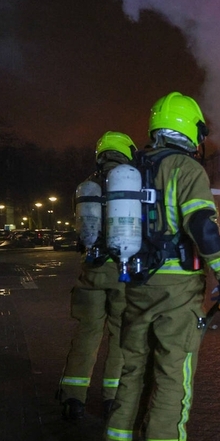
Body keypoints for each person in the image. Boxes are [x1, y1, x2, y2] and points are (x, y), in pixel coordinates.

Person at [102, 92, 220, 441]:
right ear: (189, 128)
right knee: (171, 377)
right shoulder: (187, 169)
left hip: (136, 287)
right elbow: (201, 225)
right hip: (176, 292)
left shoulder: (132, 169)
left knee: (132, 372)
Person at [57, 131, 137, 421]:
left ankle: (73, 398)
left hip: (91, 269)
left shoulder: (87, 186)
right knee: (120, 337)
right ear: (127, 152)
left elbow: (81, 228)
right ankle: (111, 398)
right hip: (122, 271)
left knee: (86, 335)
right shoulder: (131, 184)